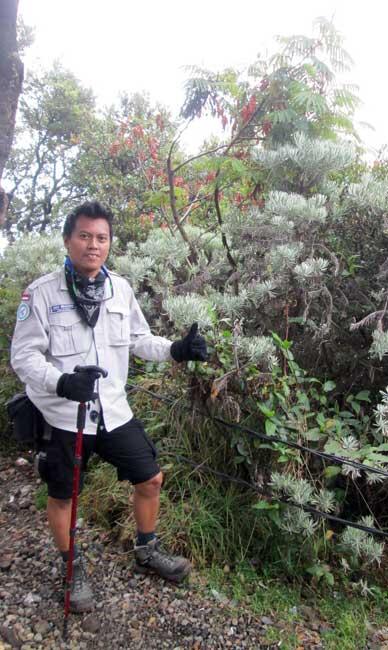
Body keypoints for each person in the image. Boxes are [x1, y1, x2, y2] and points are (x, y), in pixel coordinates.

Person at [10, 200, 207, 613]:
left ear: (110, 243)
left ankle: (147, 550)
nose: (93, 245)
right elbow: (24, 357)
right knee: (64, 496)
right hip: (63, 415)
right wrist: (62, 381)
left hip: (112, 410)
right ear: (68, 240)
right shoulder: (42, 293)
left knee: (150, 477)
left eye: (101, 238)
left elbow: (138, 339)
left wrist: (176, 349)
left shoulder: (120, 288)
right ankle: (71, 568)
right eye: (84, 236)